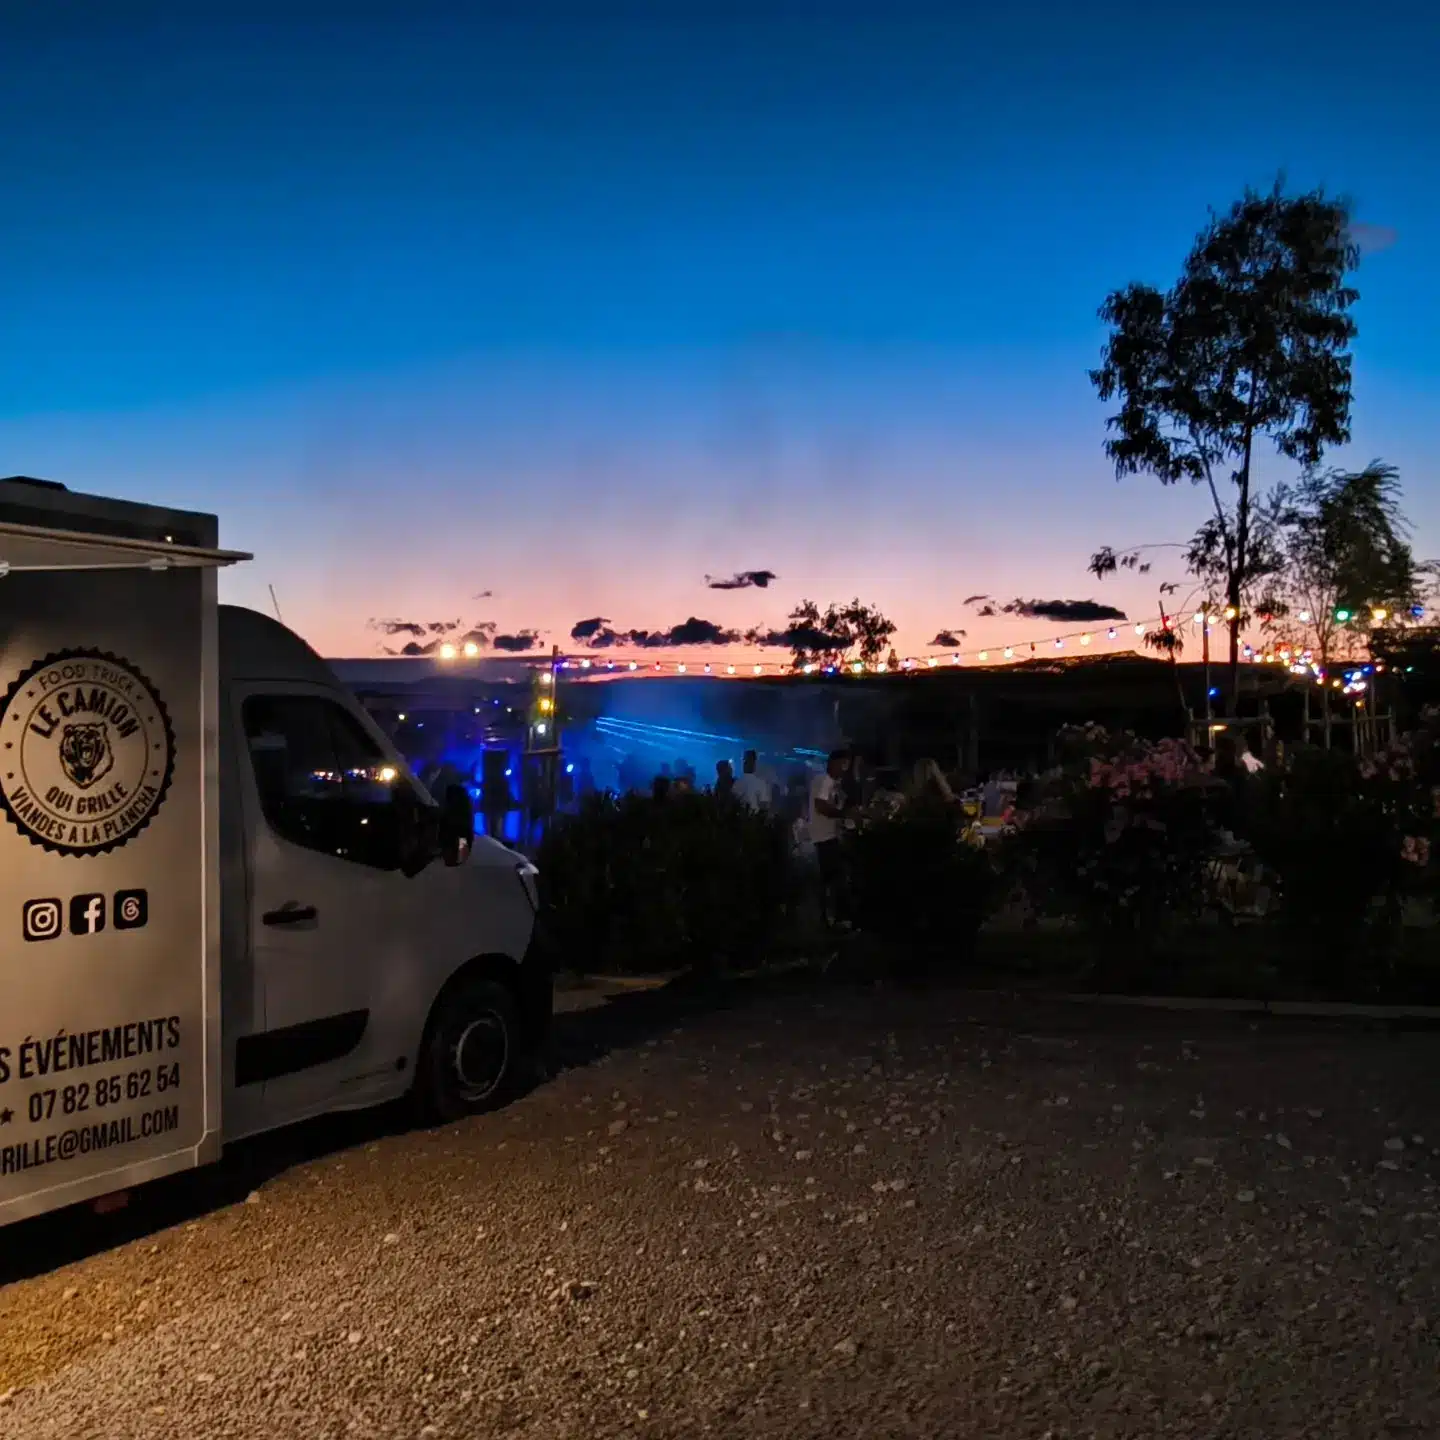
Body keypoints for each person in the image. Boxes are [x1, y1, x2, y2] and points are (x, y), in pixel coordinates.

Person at [810, 750, 850, 927]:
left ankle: (827, 918)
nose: (845, 769)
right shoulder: (823, 780)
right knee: (835, 879)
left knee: (829, 879)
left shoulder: (832, 783)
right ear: (833, 763)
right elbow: (821, 806)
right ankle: (835, 919)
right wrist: (843, 814)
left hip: (827, 836)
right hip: (825, 837)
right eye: (843, 764)